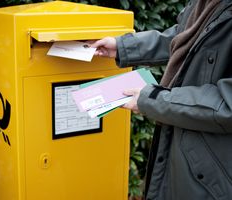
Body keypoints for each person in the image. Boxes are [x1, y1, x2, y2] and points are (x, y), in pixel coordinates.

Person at [91, 0, 232, 199]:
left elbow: (228, 104)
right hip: (184, 150)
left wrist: (153, 99)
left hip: (213, 173)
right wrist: (123, 47)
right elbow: (186, 37)